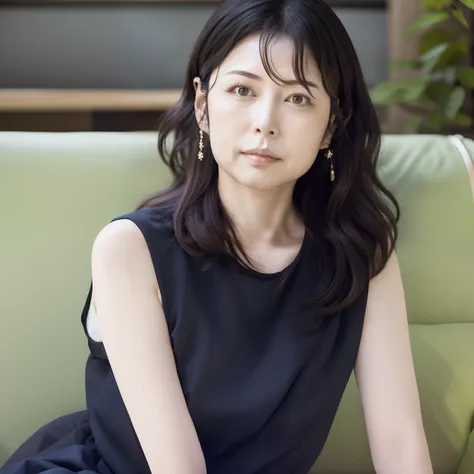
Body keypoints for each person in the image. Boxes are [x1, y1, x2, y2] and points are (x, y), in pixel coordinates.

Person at [1, 0, 434, 473]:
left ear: (331, 124)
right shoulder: (130, 248)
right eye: (243, 90)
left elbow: (400, 446)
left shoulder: (362, 259)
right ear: (204, 105)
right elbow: (178, 466)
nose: (265, 121)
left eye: (298, 98)